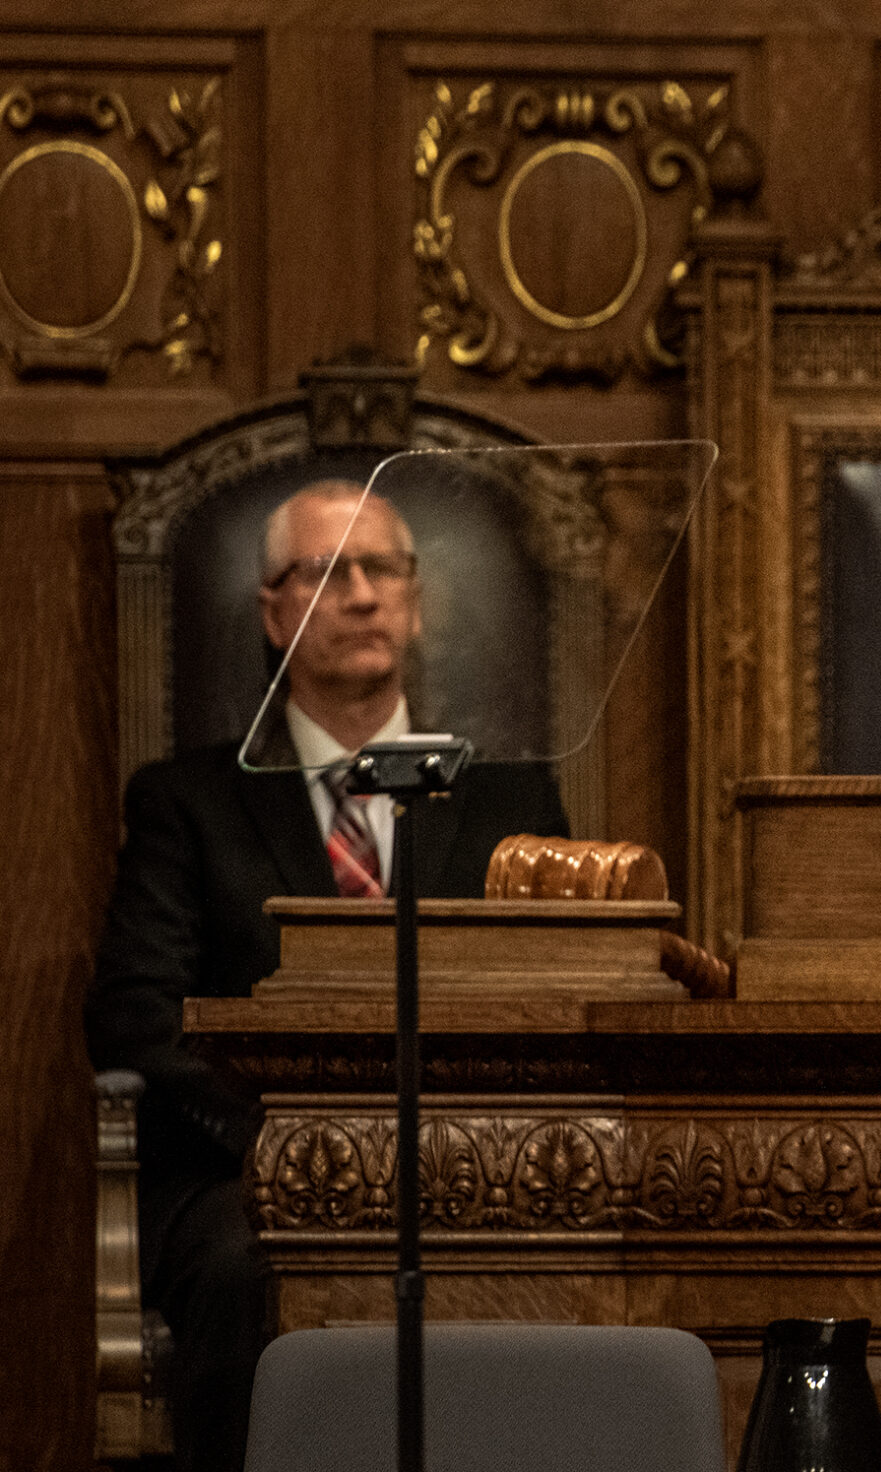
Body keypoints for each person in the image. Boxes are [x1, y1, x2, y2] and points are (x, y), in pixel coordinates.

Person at [86, 479, 569, 1472]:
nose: (359, 594)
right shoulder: (187, 801)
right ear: (273, 609)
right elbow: (136, 1013)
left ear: (416, 598)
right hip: (248, 1170)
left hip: (472, 1156)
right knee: (238, 1260)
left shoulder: (513, 799)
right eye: (325, 570)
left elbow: (561, 992)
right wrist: (287, 1141)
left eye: (382, 567)